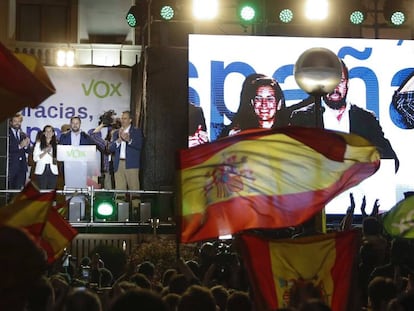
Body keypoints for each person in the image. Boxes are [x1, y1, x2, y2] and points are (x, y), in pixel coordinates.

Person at [289, 59, 400, 172]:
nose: (335, 88)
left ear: (347, 83)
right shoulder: (301, 117)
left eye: (340, 81)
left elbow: (391, 160)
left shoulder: (366, 118)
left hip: (357, 187)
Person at [220, 73, 287, 137]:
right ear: (252, 103)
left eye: (269, 99)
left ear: (279, 104)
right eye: (259, 99)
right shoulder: (238, 134)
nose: (264, 104)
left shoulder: (289, 133)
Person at [108, 111, 144, 217]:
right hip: (119, 164)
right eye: (122, 118)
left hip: (131, 164)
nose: (122, 120)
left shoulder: (136, 132)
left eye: (125, 118)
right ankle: (120, 213)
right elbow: (110, 148)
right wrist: (119, 140)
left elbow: (140, 145)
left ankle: (136, 213)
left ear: (130, 120)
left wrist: (129, 140)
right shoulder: (116, 133)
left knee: (134, 188)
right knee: (119, 189)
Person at [8, 112, 31, 189]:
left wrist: (26, 146)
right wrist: (19, 146)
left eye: (19, 121)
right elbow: (6, 149)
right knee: (9, 191)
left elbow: (28, 151)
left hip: (22, 168)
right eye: (15, 121)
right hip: (10, 167)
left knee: (18, 192)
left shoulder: (23, 134)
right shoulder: (6, 134)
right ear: (11, 122)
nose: (17, 123)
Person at [32, 125, 58, 189]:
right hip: (41, 170)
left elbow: (58, 159)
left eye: (50, 131)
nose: (48, 133)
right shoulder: (39, 144)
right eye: (46, 131)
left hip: (53, 170)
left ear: (53, 133)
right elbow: (35, 158)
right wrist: (45, 151)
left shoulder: (57, 144)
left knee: (51, 192)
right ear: (44, 133)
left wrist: (50, 152)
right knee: (42, 191)